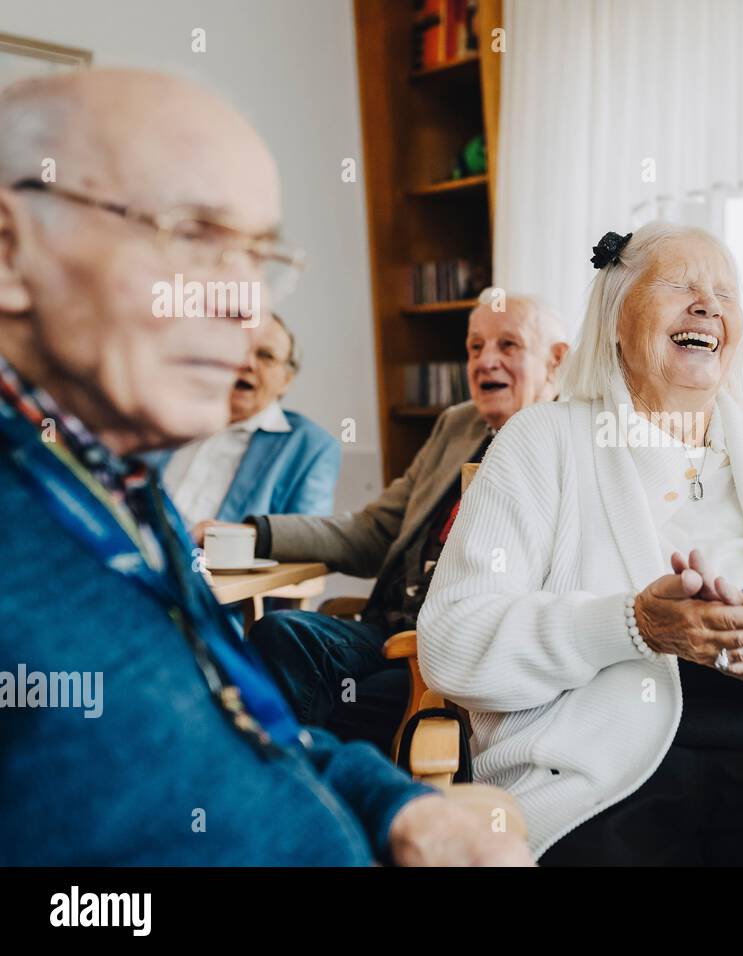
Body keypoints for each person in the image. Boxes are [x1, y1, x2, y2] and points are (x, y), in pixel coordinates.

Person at [0, 68, 529, 865]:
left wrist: (396, 807)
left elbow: (246, 725)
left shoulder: (122, 489)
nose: (246, 311)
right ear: (11, 252)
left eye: (256, 256)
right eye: (193, 237)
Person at [419, 222, 743, 865]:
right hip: (599, 780)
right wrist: (632, 625)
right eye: (679, 286)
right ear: (615, 317)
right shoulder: (539, 442)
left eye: (726, 294)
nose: (708, 307)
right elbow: (452, 641)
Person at [206, 292, 568, 750]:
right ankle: (283, 776)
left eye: (508, 345)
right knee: (280, 633)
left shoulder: (562, 444)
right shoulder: (457, 425)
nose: (485, 361)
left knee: (339, 702)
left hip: (447, 653)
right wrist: (259, 534)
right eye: (475, 347)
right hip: (386, 628)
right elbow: (372, 531)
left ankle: (296, 777)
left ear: (555, 361)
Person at [160, 312, 339, 536]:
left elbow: (309, 540)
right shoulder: (168, 416)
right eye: (237, 349)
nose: (247, 363)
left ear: (286, 380)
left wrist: (229, 537)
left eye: (266, 356)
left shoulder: (311, 447)